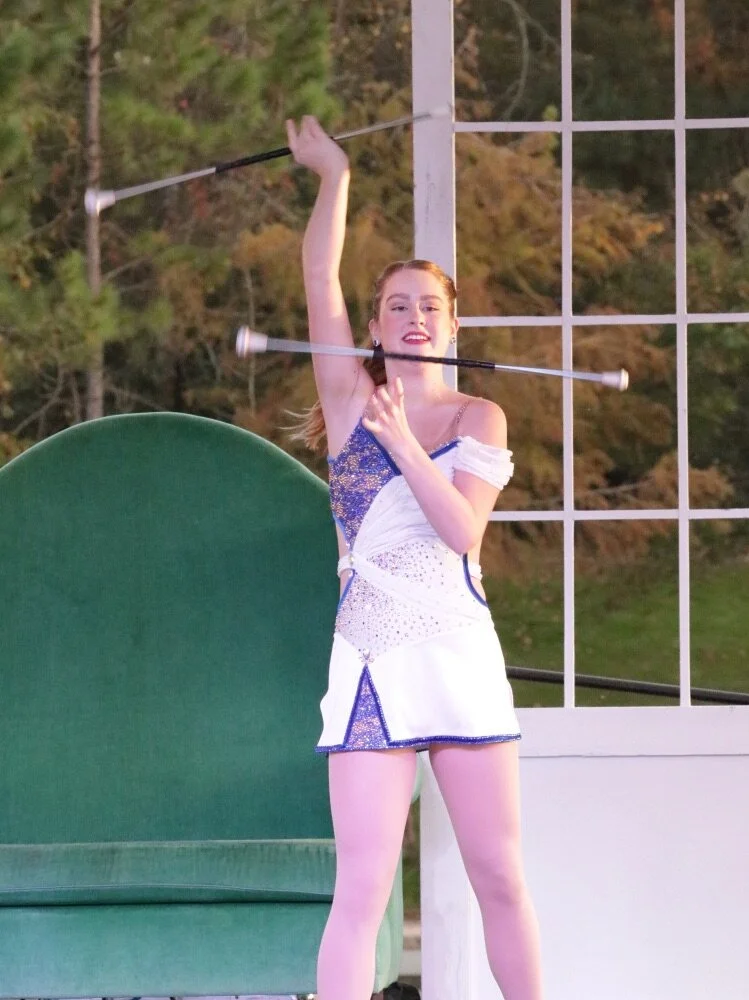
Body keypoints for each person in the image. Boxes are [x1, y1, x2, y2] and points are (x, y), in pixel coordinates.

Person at [285, 115, 544, 1000]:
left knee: (499, 877)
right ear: (374, 325)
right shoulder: (349, 399)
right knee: (360, 891)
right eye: (397, 305)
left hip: (458, 654)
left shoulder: (479, 418)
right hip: (370, 659)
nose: (415, 316)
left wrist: (404, 444)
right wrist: (334, 176)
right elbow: (318, 274)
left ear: (453, 323)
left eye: (430, 305)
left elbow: (462, 532)